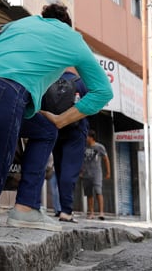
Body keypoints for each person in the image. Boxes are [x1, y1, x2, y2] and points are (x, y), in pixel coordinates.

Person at [0, 3, 113, 231]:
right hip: (3, 93)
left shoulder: (23, 23)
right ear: (66, 24)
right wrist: (62, 119)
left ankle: (26, 207)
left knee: (44, 129)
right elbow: (103, 91)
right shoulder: (73, 39)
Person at [48, 70, 90, 223]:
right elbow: (92, 105)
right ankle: (66, 211)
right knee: (69, 170)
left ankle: (57, 208)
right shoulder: (80, 81)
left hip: (55, 128)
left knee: (59, 169)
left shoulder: (50, 79)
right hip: (76, 130)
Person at [80, 129, 110, 220]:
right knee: (89, 194)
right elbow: (81, 160)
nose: (85, 139)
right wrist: (81, 171)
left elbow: (106, 159)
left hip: (96, 173)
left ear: (91, 137)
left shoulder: (99, 147)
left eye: (87, 137)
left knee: (98, 191)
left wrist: (108, 172)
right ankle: (91, 212)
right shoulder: (84, 147)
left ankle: (101, 212)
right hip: (86, 173)